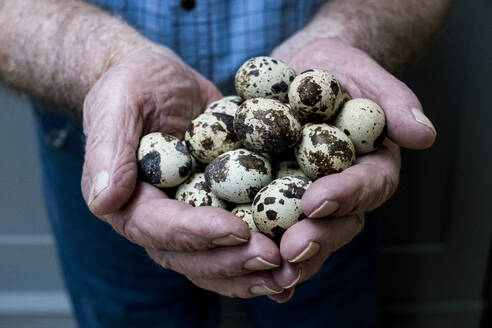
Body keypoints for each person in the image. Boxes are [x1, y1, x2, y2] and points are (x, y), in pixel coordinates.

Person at [0, 0, 450, 327]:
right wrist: (105, 62)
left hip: (323, 205)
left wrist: (342, 36)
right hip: (110, 140)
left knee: (317, 306)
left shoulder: (303, 137)